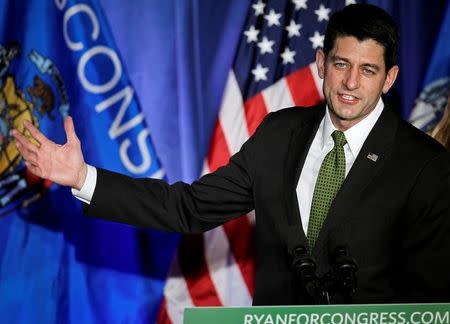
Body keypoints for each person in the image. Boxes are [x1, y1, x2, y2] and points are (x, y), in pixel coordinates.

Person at [13, 4, 450, 304]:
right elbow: (188, 208)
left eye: (368, 70)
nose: (351, 83)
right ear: (320, 62)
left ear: (389, 78)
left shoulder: (425, 165)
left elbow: (429, 299)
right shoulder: (279, 134)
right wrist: (83, 177)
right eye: (341, 64)